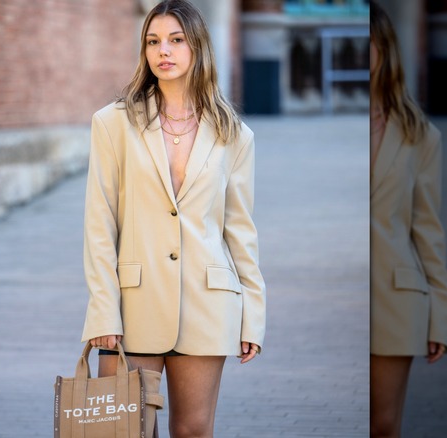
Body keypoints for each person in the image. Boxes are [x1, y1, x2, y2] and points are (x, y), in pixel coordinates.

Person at [80, 1, 266, 436]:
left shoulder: (234, 133)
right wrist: (103, 311)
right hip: (132, 305)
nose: (163, 50)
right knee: (127, 430)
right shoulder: (113, 124)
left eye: (176, 40)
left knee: (194, 431)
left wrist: (253, 313)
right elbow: (99, 224)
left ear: (197, 46)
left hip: (208, 303)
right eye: (153, 41)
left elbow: (240, 231)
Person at [369, 2, 447, 437]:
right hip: (339, 305)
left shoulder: (421, 135)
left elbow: (428, 232)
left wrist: (440, 315)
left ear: (384, 50)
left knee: (383, 425)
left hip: (396, 297)